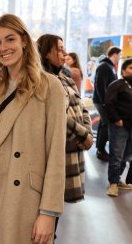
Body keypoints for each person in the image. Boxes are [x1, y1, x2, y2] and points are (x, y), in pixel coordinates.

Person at [0, 14, 66, 244]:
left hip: (25, 199)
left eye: (9, 39)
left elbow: (56, 153)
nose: (3, 48)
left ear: (24, 41)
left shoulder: (49, 87)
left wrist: (49, 212)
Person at [37, 34, 93, 238]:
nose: (65, 53)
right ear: (45, 53)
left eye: (64, 48)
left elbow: (81, 108)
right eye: (59, 49)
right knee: (47, 205)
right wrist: (83, 135)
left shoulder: (65, 77)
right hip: (56, 151)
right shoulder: (41, 80)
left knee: (56, 208)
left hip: (73, 147)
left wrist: (87, 132)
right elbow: (55, 116)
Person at [104, 58, 132, 197]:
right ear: (123, 70)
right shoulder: (117, 84)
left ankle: (117, 180)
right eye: (131, 67)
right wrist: (117, 119)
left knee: (127, 155)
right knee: (116, 156)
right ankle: (112, 183)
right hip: (120, 126)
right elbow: (108, 103)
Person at [92, 46, 121, 161]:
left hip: (105, 101)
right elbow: (100, 86)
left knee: (103, 123)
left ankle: (99, 148)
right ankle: (101, 150)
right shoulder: (104, 66)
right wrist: (105, 103)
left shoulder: (110, 66)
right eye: (120, 55)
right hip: (101, 101)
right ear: (114, 54)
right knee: (107, 123)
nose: (120, 58)